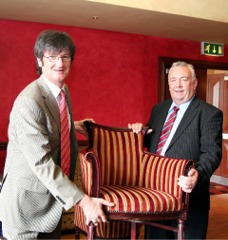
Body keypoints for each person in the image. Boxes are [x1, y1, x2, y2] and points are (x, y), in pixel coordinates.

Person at [0, 30, 114, 240]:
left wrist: (73, 124)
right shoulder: (29, 102)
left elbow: (50, 123)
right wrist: (84, 201)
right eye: (51, 57)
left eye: (64, 57)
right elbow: (41, 162)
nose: (59, 64)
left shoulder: (62, 91)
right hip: (27, 208)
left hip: (52, 201)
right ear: (40, 61)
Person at [128, 61, 223, 239]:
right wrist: (138, 132)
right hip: (155, 193)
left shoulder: (209, 114)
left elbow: (212, 152)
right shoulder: (159, 109)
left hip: (188, 196)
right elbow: (154, 143)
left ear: (194, 83)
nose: (178, 85)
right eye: (173, 80)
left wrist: (198, 173)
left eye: (183, 79)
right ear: (169, 83)